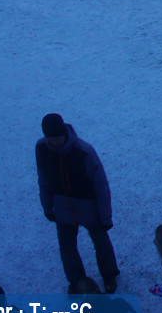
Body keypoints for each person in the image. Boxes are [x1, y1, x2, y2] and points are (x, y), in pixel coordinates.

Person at [36, 113, 118, 295]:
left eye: (58, 138)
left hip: (88, 207)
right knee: (67, 248)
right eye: (51, 139)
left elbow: (101, 185)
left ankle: (109, 275)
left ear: (64, 133)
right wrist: (47, 207)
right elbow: (43, 178)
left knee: (101, 243)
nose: (54, 143)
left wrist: (105, 217)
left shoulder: (84, 151)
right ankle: (76, 281)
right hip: (62, 209)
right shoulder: (41, 148)